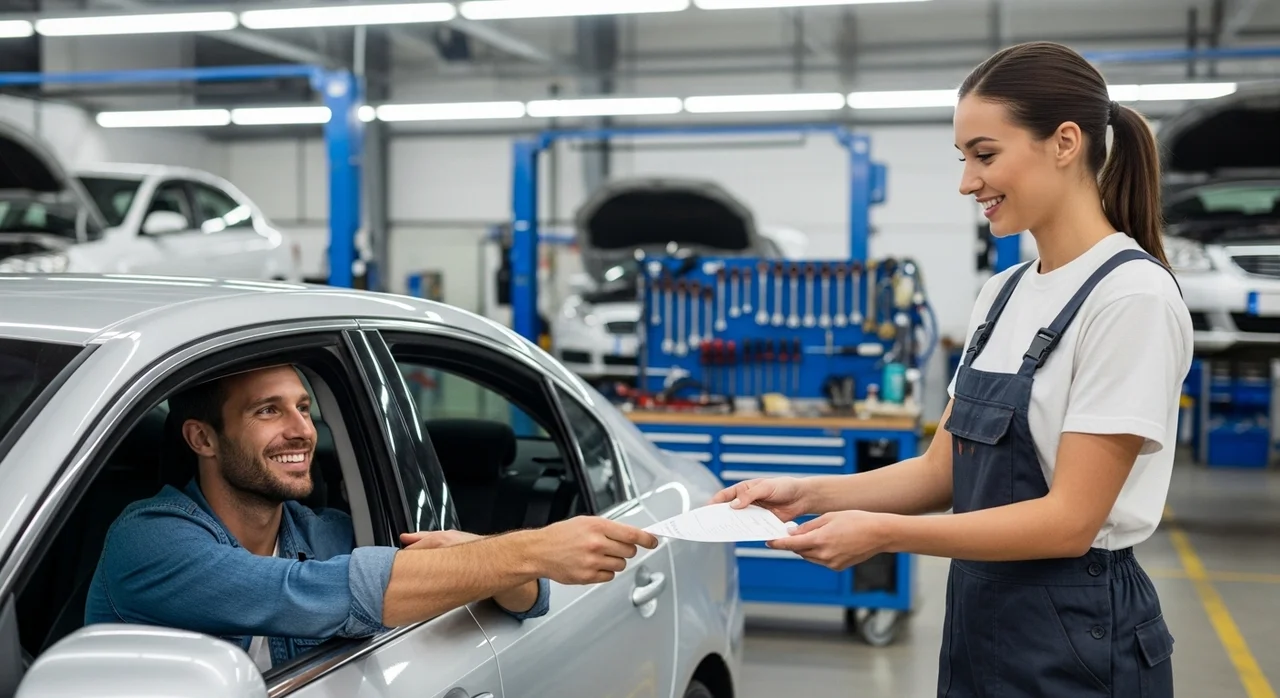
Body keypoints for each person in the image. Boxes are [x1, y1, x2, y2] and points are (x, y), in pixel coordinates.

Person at [713, 41, 1191, 698]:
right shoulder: (1003, 295)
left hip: (1081, 635)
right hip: (981, 616)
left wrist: (881, 533)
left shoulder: (1130, 297)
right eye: (964, 158)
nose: (968, 182)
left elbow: (1070, 520)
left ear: (1065, 142)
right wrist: (808, 494)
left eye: (985, 155)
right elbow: (942, 472)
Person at [85, 363, 659, 672]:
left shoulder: (324, 531)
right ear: (202, 438)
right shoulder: (148, 541)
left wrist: (477, 557)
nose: (302, 430)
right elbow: (299, 593)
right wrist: (531, 549)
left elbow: (526, 599)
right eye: (269, 411)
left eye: (304, 409)